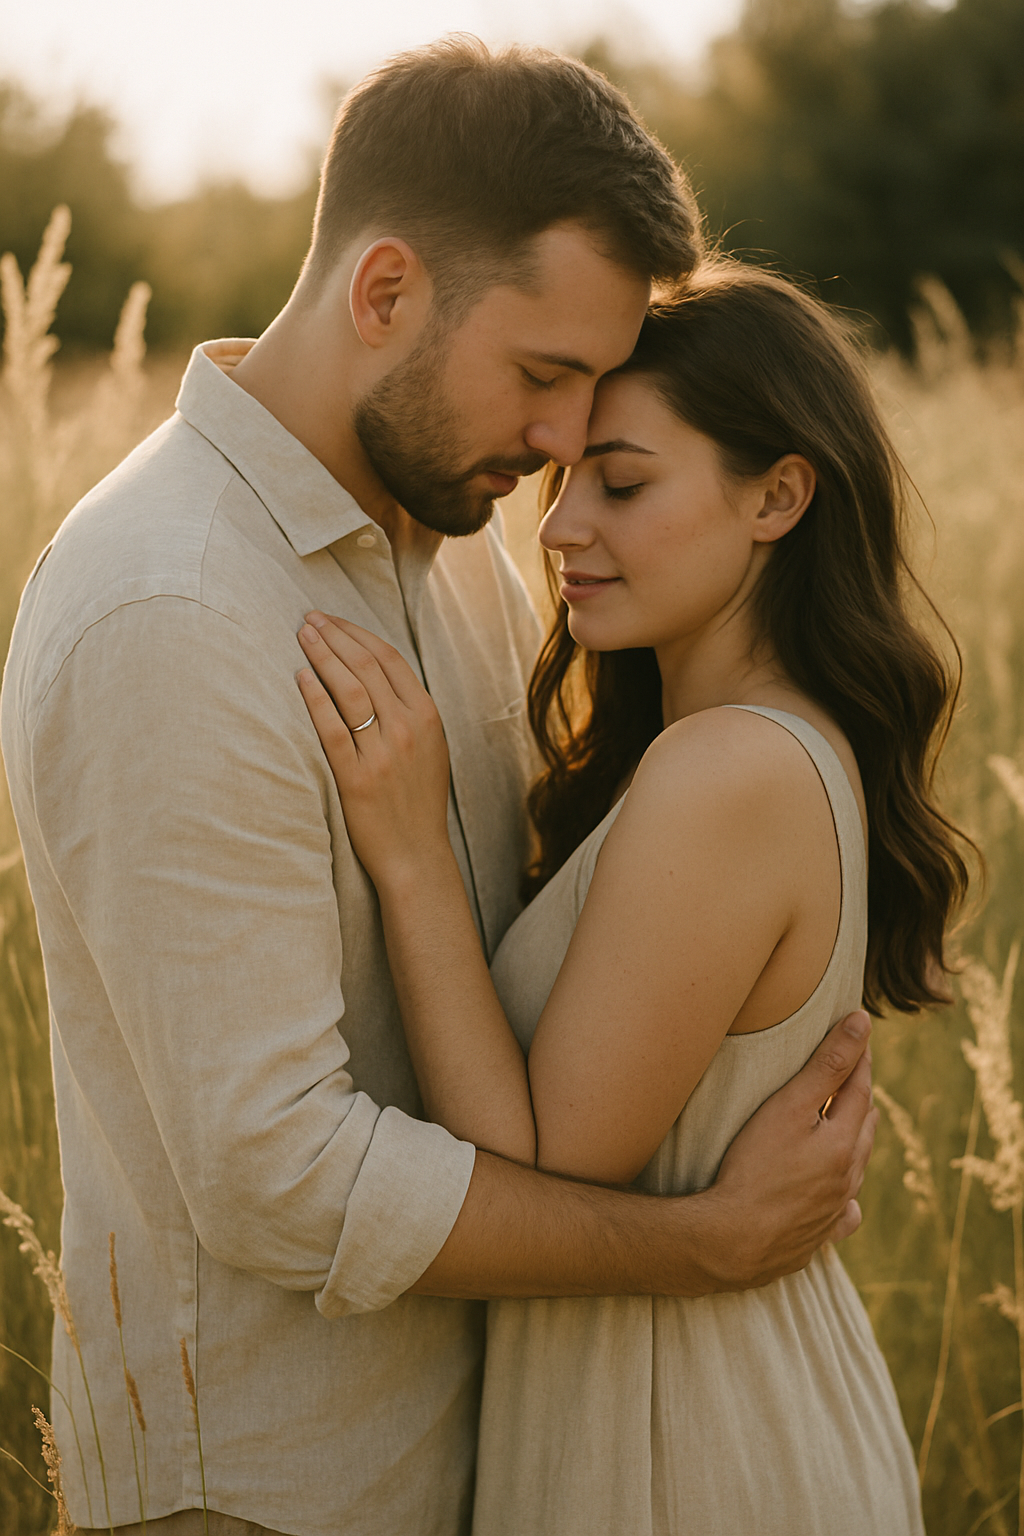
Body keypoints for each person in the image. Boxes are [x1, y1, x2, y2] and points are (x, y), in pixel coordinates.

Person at [1, 41, 875, 1536]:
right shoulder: (176, 609)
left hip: (515, 1457)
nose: (557, 453)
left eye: (593, 396)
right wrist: (699, 1246)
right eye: (545, 377)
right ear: (386, 291)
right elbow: (280, 1170)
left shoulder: (460, 541)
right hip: (289, 1492)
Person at [296, 260, 971, 1536]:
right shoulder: (748, 747)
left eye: (623, 481)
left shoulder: (726, 770)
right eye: (561, 481)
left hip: (695, 1444)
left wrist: (412, 854)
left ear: (777, 497)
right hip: (683, 1395)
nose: (557, 529)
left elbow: (533, 1167)